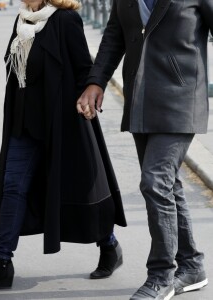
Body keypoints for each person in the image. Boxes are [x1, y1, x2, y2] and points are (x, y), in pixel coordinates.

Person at [0, 0, 127, 292]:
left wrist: (88, 102)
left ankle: (109, 245)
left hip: (62, 122)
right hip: (24, 124)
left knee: (79, 189)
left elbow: (83, 68)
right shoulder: (24, 21)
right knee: (12, 187)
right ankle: (1, 263)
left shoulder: (65, 21)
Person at [77, 0, 211, 299]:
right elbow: (114, 36)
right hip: (140, 100)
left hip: (182, 99)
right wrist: (96, 81)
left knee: (155, 182)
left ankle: (161, 276)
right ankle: (191, 266)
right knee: (167, 185)